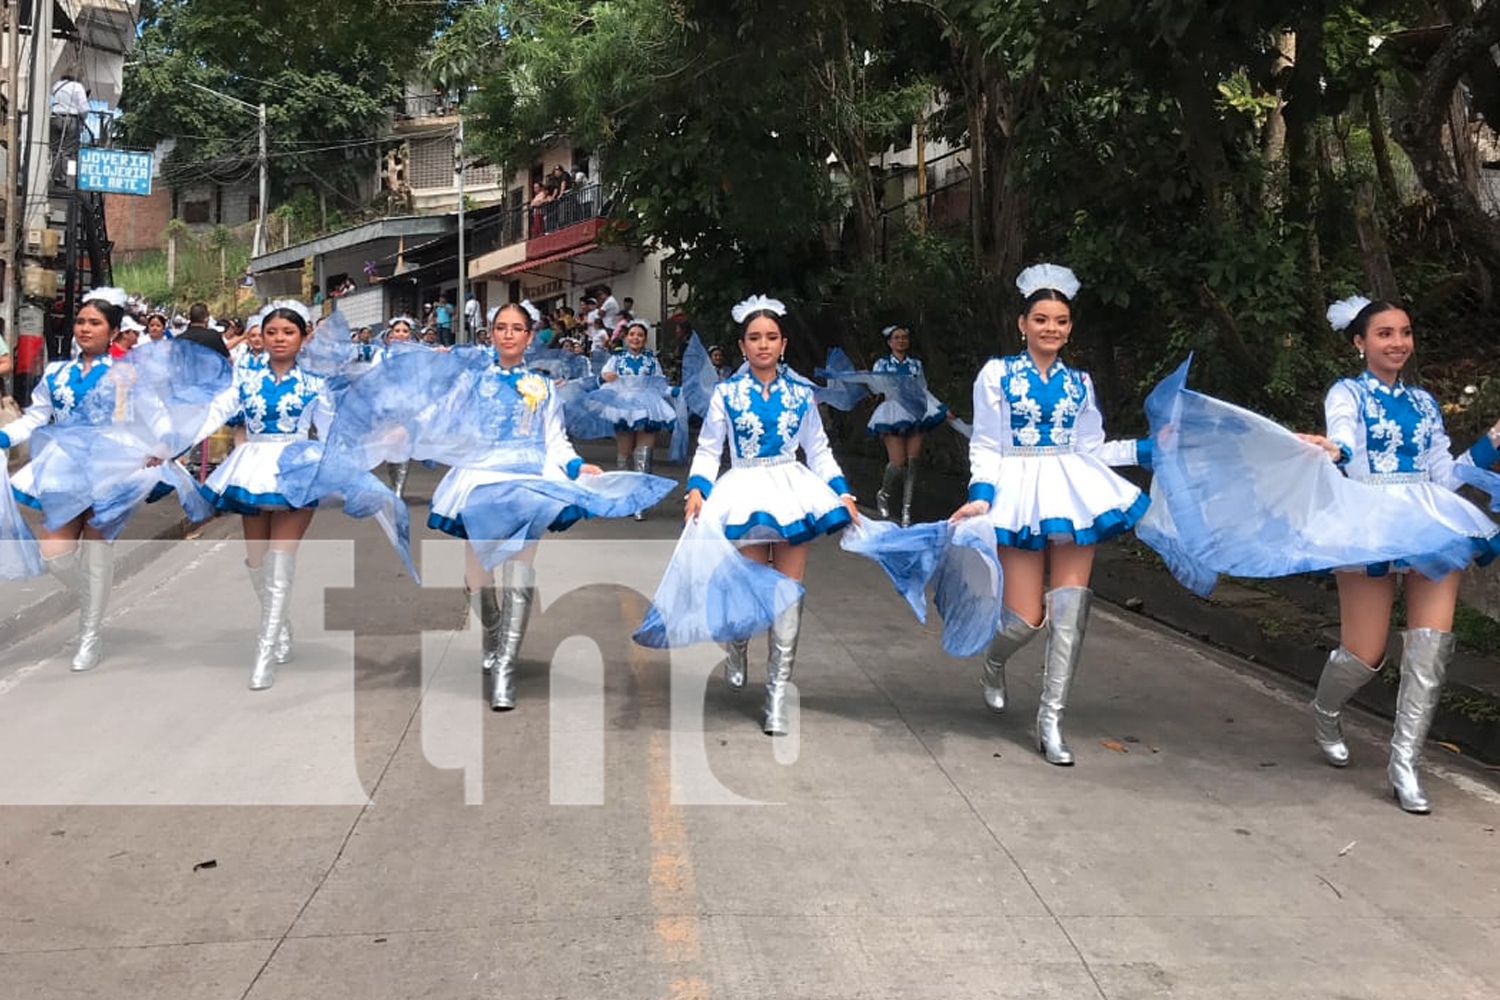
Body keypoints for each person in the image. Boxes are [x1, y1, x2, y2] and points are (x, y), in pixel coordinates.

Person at [411, 302, 669, 709]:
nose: (509, 334)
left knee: (520, 571)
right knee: (476, 578)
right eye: (501, 327)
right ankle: (493, 634)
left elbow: (555, 439)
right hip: (481, 478)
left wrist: (574, 464)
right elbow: (440, 417)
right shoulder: (472, 382)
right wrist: (408, 425)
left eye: (517, 328)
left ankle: (505, 670)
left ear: (530, 337)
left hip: (530, 479)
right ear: (491, 334)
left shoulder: (543, 386)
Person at [1299, 296, 1500, 813]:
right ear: (1360, 342)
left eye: (1405, 332)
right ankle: (1324, 711)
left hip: (1429, 519)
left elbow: (1445, 475)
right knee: (1364, 654)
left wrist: (1494, 440)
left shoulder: (1425, 403)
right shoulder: (1346, 393)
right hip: (1369, 517)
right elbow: (1343, 439)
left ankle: (1404, 763)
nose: (1398, 343)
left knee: (1431, 646)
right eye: (1385, 333)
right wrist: (1335, 450)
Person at [948, 264, 1152, 766]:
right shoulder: (996, 374)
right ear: (1022, 323)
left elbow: (1093, 448)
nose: (1051, 329)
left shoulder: (1079, 381)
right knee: (1025, 619)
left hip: (1072, 493)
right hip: (1017, 492)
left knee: (1072, 610)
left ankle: (1051, 719)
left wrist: (1149, 449)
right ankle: (994, 662)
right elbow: (988, 443)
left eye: (1060, 321)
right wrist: (981, 494)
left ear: (1069, 328)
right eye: (1041, 319)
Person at [190, 301, 407, 690]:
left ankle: (265, 650)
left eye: (287, 333)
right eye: (271, 332)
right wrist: (170, 442)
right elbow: (212, 414)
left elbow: (332, 431)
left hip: (297, 469)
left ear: (304, 336)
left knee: (279, 562)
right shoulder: (245, 378)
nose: (278, 339)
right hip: (252, 469)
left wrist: (369, 445)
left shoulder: (315, 383)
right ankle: (281, 626)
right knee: (256, 563)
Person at [0, 289, 216, 671]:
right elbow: (37, 418)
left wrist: (163, 447)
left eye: (94, 323)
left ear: (113, 331)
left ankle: (89, 634)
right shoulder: (56, 374)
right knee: (55, 555)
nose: (85, 328)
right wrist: (5, 436)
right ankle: (92, 605)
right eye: (81, 322)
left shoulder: (126, 374)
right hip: (62, 469)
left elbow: (159, 417)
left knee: (97, 551)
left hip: (113, 470)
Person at [678, 295, 860, 735]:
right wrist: (697, 489)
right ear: (742, 346)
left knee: (789, 592)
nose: (763, 345)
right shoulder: (726, 394)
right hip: (743, 489)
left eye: (771, 337)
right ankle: (737, 643)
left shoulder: (802, 394)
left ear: (784, 343)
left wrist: (843, 491)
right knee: (752, 588)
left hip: (792, 490)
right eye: (754, 338)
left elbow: (818, 450)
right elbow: (708, 449)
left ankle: (777, 693)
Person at [585, 319, 675, 519]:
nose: (636, 338)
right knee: (624, 454)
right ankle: (625, 497)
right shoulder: (617, 358)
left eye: (640, 335)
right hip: (623, 407)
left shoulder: (652, 360)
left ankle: (640, 502)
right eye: (632, 334)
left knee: (644, 454)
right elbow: (603, 377)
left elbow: (659, 384)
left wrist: (674, 391)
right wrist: (606, 377)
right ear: (626, 337)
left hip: (647, 406)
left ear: (645, 339)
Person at [867, 324, 950, 526]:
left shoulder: (915, 365)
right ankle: (884, 494)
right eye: (897, 338)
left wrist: (941, 408)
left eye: (904, 337)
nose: (901, 341)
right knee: (897, 462)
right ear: (889, 342)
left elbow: (923, 390)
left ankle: (906, 511)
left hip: (916, 411)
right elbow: (876, 386)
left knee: (913, 462)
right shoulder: (882, 364)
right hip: (892, 411)